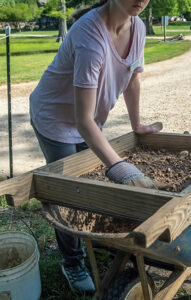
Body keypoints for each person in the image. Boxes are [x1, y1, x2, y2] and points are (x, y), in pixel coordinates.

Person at [29, 0, 155, 294]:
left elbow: (133, 78)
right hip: (56, 120)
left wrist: (136, 125)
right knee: (67, 194)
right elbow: (82, 120)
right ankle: (72, 261)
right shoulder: (90, 36)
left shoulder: (138, 27)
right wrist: (121, 168)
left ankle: (97, 239)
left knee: (94, 182)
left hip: (86, 120)